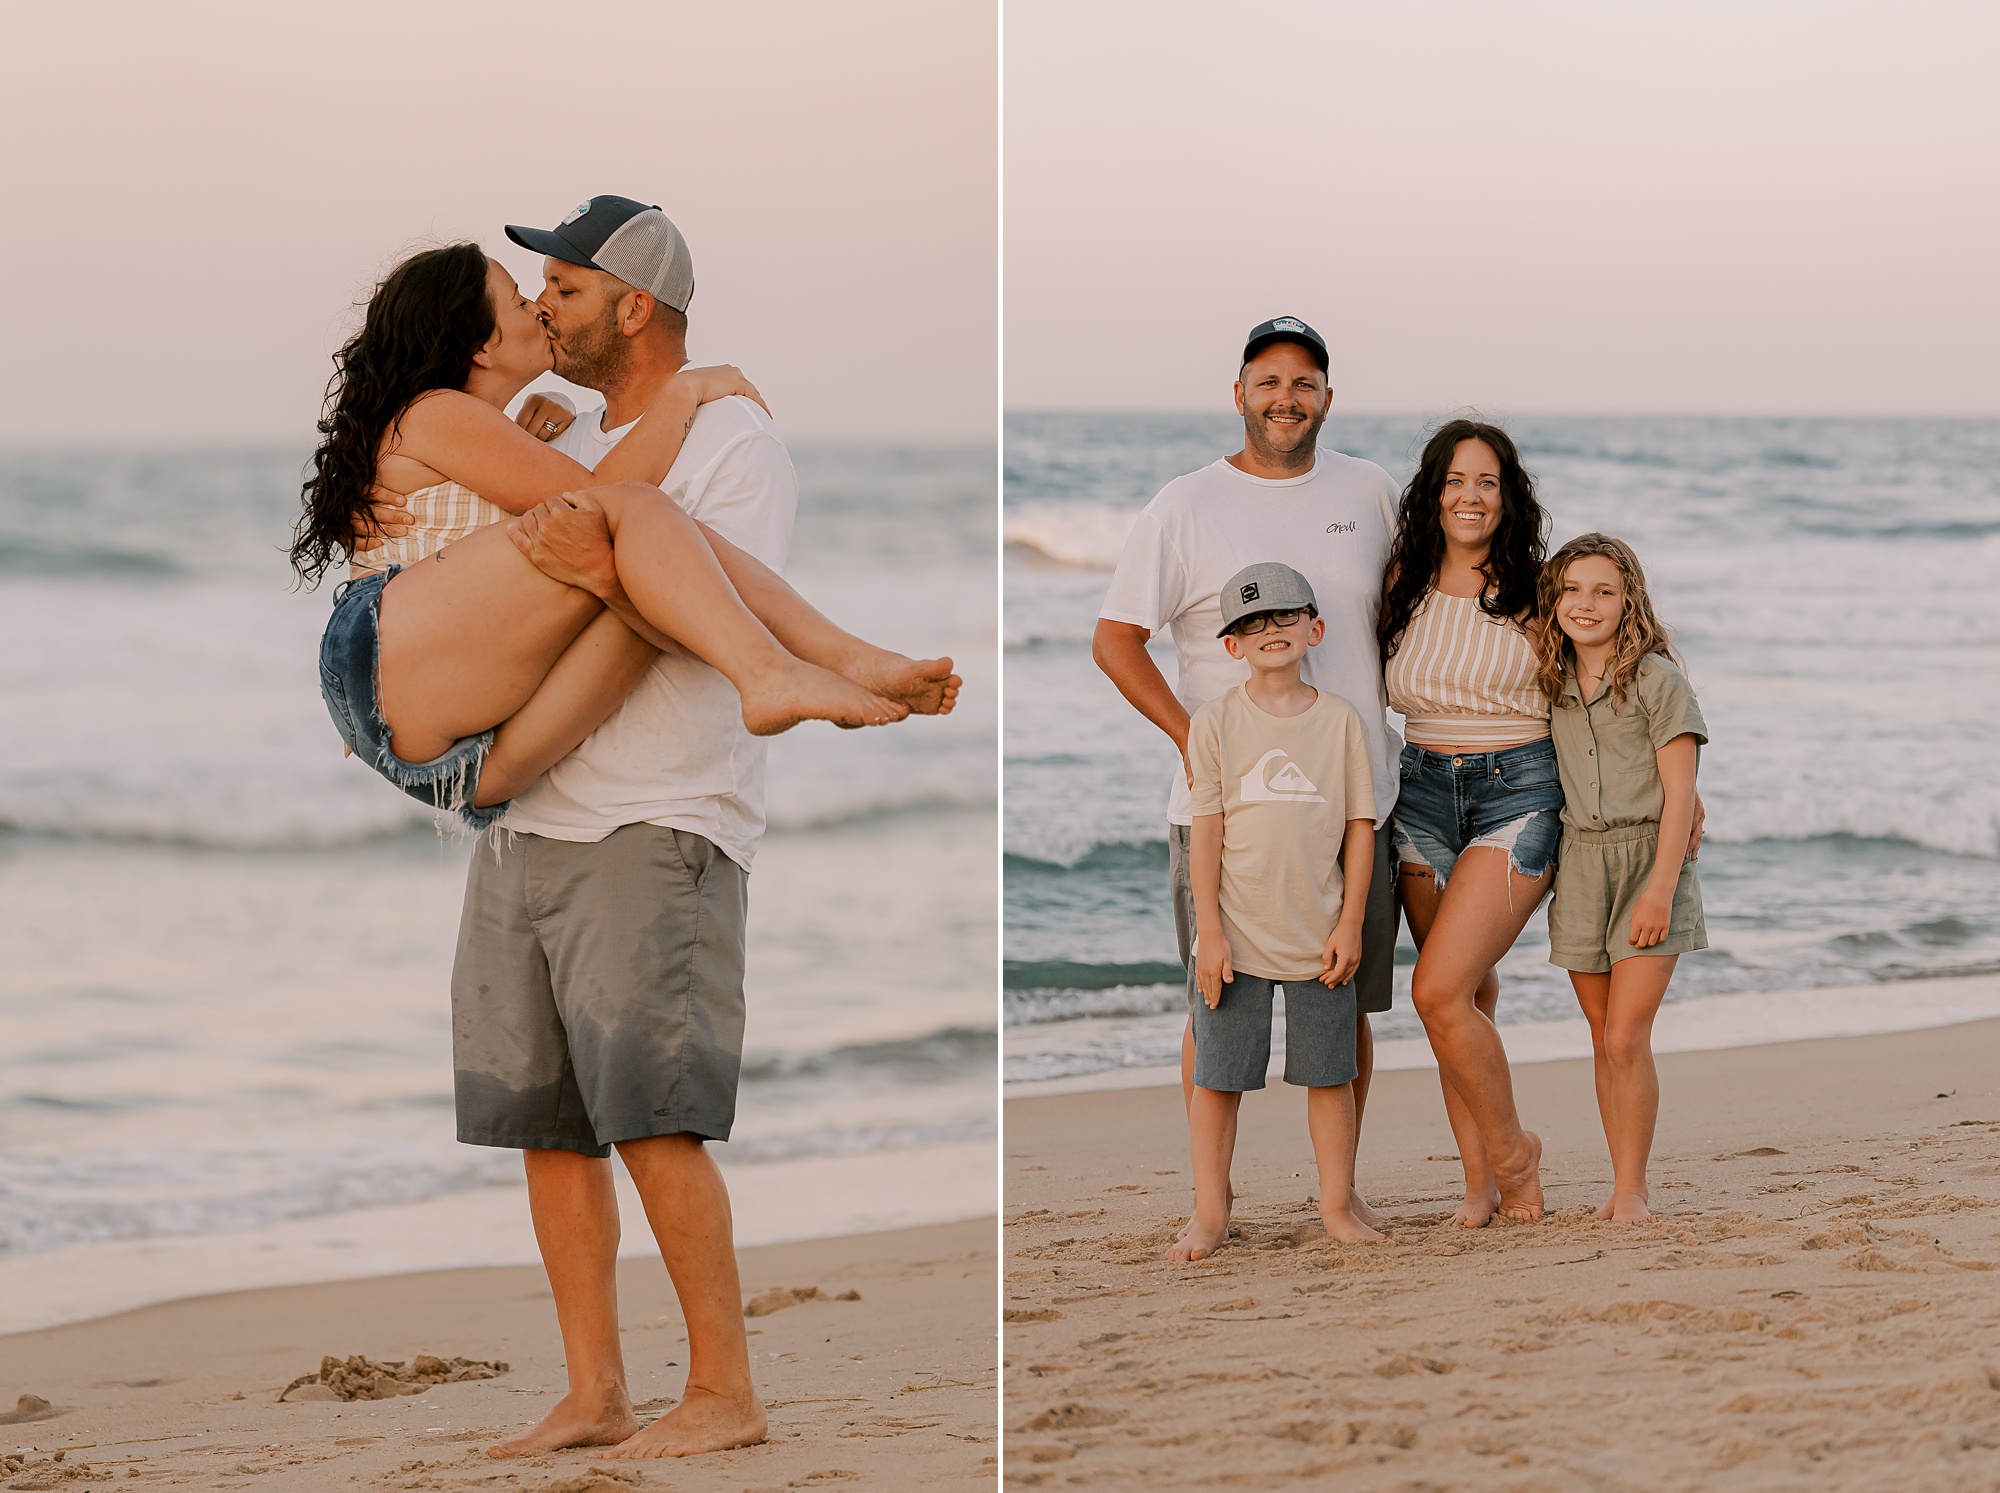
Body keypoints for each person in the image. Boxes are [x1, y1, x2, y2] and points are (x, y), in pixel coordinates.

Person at [319, 197, 957, 1462]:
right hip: (521, 811)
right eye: (522, 296)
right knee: (544, 1126)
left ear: (633, 301)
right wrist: (509, 772)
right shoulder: (566, 441)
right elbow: (594, 567)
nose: (540, 306)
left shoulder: (721, 437)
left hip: (647, 818)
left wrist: (511, 756)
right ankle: (594, 1390)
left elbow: (649, 619)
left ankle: (721, 1387)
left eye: (556, 286)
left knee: (647, 1116)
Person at [298, 241, 961, 834]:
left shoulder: (482, 431)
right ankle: (775, 669)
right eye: (522, 299)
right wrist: (683, 393)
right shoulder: (437, 413)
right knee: (636, 516)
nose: (540, 309)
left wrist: (545, 431)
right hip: (386, 658)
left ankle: (837, 660)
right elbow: (603, 497)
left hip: (471, 762)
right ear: (480, 344)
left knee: (655, 584)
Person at [1094, 318, 1402, 1234]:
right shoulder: (1185, 504)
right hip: (1224, 814)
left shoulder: (1372, 491)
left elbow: (1417, 616)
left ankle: (1338, 1196)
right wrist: (1194, 740)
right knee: (1216, 1007)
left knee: (1342, 1012)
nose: (1286, 398)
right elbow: (1116, 640)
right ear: (1238, 392)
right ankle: (1212, 1206)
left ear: (1327, 398)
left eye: (1304, 383)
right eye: (1267, 381)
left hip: (1357, 806)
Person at [1173, 563, 1382, 1261]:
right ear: (1231, 643)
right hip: (1236, 936)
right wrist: (1209, 930)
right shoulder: (1217, 722)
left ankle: (1335, 1204)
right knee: (1219, 1077)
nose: (1271, 631)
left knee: (1330, 1074)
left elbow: (1360, 826)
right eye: (1252, 622)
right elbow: (1207, 830)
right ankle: (1209, 1212)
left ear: (1314, 628)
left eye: (1285, 617)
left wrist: (1351, 920)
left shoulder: (1341, 722)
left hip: (1318, 933)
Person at [1380, 419, 1559, 1226]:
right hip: (1417, 793)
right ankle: (1478, 1184)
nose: (1470, 496)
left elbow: (1618, 678)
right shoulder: (1400, 585)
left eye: (1486, 481)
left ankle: (1515, 1154)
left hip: (1516, 792)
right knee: (1469, 995)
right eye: (1455, 480)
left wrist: (1678, 778)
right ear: (1433, 492)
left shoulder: (1539, 591)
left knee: (1437, 990)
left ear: (1507, 495)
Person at [1536, 533, 1707, 1224]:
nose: (1587, 603)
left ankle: (1633, 1188)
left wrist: (1662, 887)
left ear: (1628, 599)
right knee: (1602, 1032)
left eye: (1604, 590)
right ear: (1554, 600)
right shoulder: (1549, 680)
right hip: (1580, 866)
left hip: (1649, 862)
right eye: (1572, 589)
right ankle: (1617, 1182)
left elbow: (1681, 795)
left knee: (1626, 1037)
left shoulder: (1658, 680)